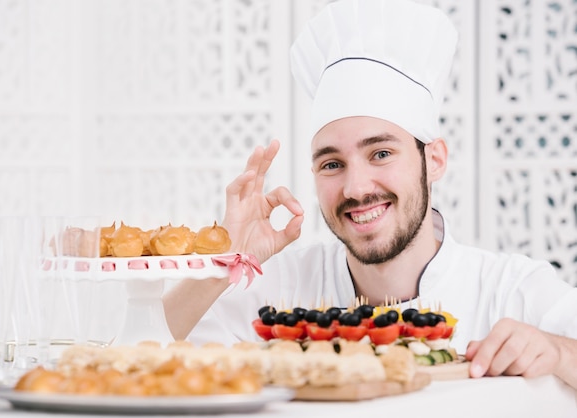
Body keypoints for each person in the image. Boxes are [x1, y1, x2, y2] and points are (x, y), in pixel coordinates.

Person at [162, 0, 577, 389]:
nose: (356, 188)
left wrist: (558, 351)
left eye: (380, 153)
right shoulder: (279, 292)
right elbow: (141, 360)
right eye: (332, 164)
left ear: (434, 160)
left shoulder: (508, 289)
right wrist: (223, 263)